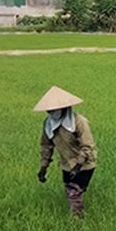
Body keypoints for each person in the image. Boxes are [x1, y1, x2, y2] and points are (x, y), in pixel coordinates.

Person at [34, 86, 97, 217]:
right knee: (70, 191)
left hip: (85, 164)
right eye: (48, 110)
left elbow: (87, 146)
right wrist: (43, 167)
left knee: (73, 191)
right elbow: (46, 146)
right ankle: (76, 214)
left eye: (53, 110)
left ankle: (78, 220)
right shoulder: (49, 124)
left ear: (63, 107)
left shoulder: (79, 122)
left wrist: (78, 166)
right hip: (66, 164)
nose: (50, 113)